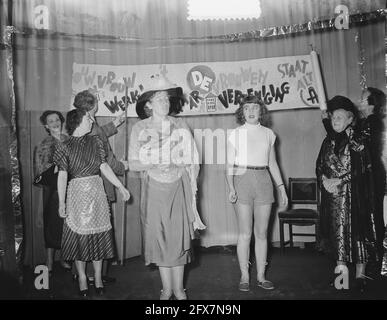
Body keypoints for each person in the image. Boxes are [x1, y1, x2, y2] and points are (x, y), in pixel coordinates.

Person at [128, 74, 205, 300]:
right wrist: (154, 161)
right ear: (148, 104)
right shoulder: (140, 128)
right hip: (154, 189)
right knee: (160, 238)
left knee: (178, 239)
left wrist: (177, 161)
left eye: (167, 99)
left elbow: (193, 158)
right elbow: (133, 162)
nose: (165, 102)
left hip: (178, 186)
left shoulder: (180, 124)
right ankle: (166, 289)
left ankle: (179, 289)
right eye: (159, 99)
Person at [54, 108, 130, 298]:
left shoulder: (95, 141)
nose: (91, 120)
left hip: (97, 193)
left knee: (98, 237)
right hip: (76, 195)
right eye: (88, 117)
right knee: (80, 238)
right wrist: (61, 202)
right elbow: (62, 175)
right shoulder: (64, 145)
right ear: (78, 121)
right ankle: (81, 277)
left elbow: (103, 166)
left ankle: (97, 277)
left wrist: (120, 186)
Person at [226, 95, 288, 292]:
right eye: (246, 108)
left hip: (263, 181)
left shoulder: (269, 134)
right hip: (242, 179)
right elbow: (228, 164)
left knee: (261, 233)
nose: (251, 111)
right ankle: (245, 275)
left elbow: (272, 163)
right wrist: (231, 187)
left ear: (261, 111)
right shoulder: (235, 134)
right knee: (244, 233)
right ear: (241, 112)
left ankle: (261, 276)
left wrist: (281, 187)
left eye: (255, 107)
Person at [316, 95, 378, 292]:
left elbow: (362, 170)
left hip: (354, 198)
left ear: (350, 119)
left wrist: (340, 181)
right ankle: (341, 280)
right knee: (337, 238)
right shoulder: (327, 141)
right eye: (334, 117)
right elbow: (319, 166)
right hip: (332, 199)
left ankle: (360, 276)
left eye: (340, 117)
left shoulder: (357, 141)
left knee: (358, 236)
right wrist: (324, 180)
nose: (335, 121)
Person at [73, 90, 129, 284]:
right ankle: (92, 275)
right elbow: (105, 158)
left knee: (88, 227)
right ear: (92, 106)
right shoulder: (91, 127)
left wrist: (116, 123)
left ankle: (95, 274)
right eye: (97, 100)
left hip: (88, 185)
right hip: (98, 184)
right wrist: (123, 167)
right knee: (96, 228)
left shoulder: (88, 123)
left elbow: (101, 133)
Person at [33, 110, 71, 274]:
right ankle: (49, 260)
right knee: (52, 224)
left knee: (68, 224)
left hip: (71, 187)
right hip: (52, 189)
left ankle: (63, 257)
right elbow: (41, 172)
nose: (55, 122)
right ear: (46, 126)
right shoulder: (44, 144)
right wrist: (60, 166)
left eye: (57, 119)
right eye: (51, 121)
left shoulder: (70, 140)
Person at [358, 87, 386, 262]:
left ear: (371, 103)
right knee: (373, 211)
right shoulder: (371, 121)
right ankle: (376, 253)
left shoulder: (371, 122)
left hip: (372, 173)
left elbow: (358, 146)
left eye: (363, 98)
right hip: (373, 171)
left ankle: (377, 254)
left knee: (373, 212)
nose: (360, 101)